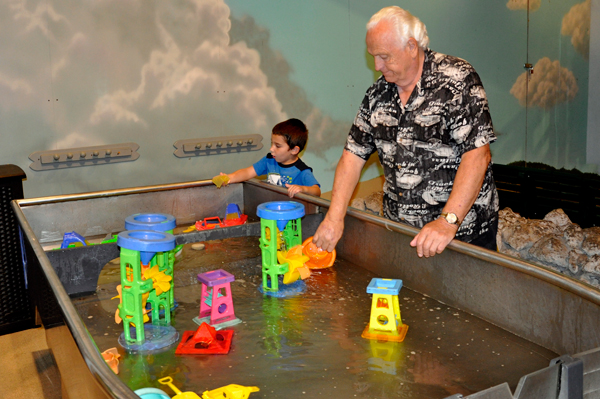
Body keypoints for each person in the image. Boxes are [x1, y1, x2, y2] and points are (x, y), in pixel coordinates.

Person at [313, 6, 498, 258]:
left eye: (384, 56)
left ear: (411, 47)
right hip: (403, 234)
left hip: (461, 235)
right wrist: (334, 218)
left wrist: (447, 221)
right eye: (373, 56)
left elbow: (477, 155)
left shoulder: (456, 80)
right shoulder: (377, 95)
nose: (377, 65)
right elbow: (352, 156)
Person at [213, 118, 321, 198]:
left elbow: (316, 191)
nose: (271, 149)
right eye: (272, 143)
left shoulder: (302, 171)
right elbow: (248, 172)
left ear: (294, 150)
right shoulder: (270, 160)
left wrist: (302, 188)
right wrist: (230, 177)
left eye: (277, 146)